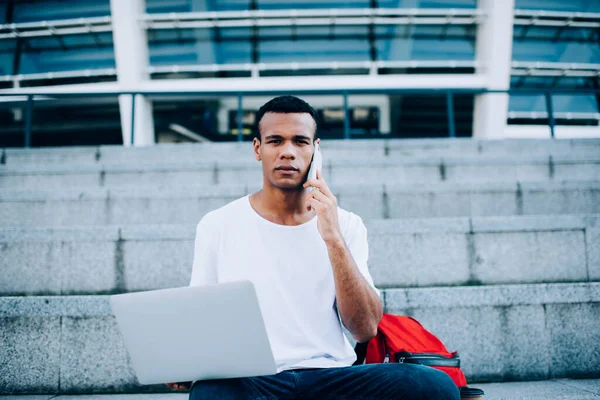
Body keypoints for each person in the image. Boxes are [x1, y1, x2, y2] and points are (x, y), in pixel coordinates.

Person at [166, 96, 459, 400]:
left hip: (335, 377)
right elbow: (202, 318)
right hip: (255, 381)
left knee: (433, 387)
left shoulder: (346, 224)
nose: (288, 152)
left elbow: (365, 329)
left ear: (316, 150)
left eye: (300, 142)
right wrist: (189, 365)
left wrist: (332, 236)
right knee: (211, 392)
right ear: (258, 149)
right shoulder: (218, 224)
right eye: (275, 141)